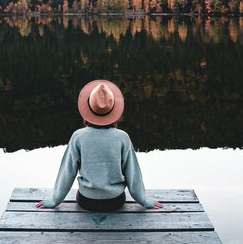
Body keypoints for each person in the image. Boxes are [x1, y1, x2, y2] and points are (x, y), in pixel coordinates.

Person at [37, 79, 163, 211]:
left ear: (88, 110)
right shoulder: (122, 137)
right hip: (115, 201)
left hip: (87, 201)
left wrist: (55, 200)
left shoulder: (78, 136)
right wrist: (143, 200)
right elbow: (132, 173)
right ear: (114, 111)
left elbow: (67, 172)